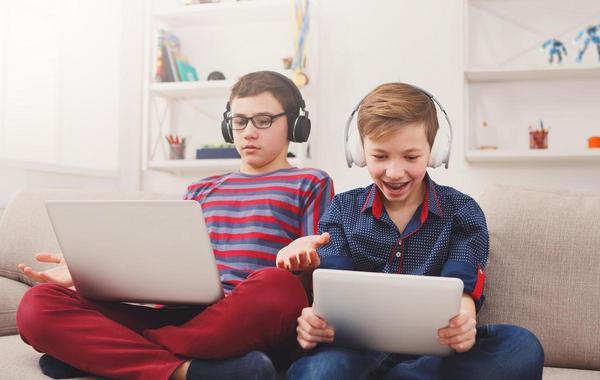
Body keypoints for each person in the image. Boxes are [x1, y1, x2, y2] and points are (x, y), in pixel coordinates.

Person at [16, 71, 334, 380]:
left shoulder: (310, 182)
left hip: (246, 316)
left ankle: (96, 356)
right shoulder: (200, 190)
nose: (249, 132)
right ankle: (187, 370)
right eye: (239, 121)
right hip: (180, 314)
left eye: (263, 120)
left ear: (295, 124)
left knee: (279, 286)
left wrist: (301, 263)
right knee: (37, 305)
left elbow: (314, 282)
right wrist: (94, 271)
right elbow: (165, 264)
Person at [277, 83, 545, 380]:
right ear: (360, 151)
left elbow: (463, 287)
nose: (394, 172)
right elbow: (330, 292)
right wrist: (315, 320)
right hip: (353, 352)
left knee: (521, 346)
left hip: (435, 354)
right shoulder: (342, 209)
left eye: (411, 157)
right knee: (320, 370)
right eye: (380, 157)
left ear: (434, 151)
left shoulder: (462, 211)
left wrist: (464, 323)